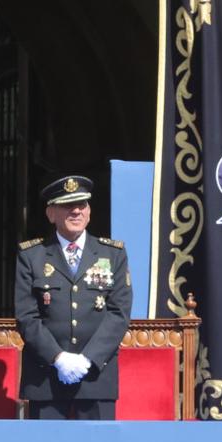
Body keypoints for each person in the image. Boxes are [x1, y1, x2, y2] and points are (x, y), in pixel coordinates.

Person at [13, 174, 132, 420]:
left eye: (82, 205)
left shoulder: (113, 254)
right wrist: (57, 358)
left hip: (96, 375)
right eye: (68, 205)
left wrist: (89, 359)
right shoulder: (32, 255)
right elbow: (26, 316)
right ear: (51, 214)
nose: (76, 211)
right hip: (46, 376)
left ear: (89, 212)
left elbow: (119, 313)